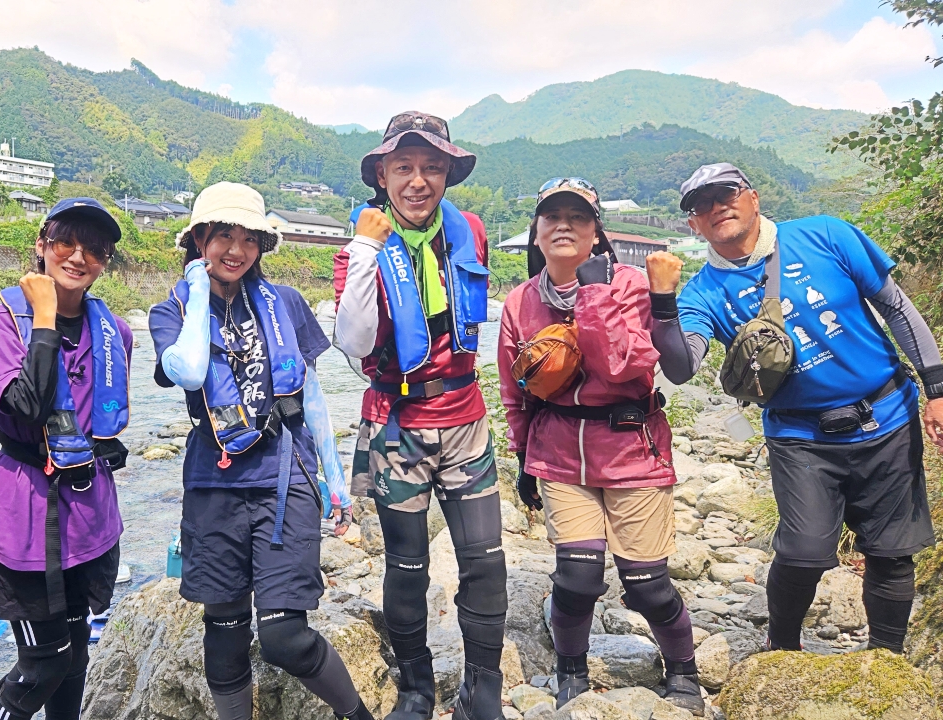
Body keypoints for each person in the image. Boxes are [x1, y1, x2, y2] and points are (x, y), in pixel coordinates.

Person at [647, 163, 943, 657]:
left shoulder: (826, 235)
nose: (717, 206)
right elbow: (681, 367)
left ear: (754, 197)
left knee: (891, 553)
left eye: (726, 193)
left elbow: (897, 307)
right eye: (701, 204)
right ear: (692, 224)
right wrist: (662, 302)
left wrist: (937, 389)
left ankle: (886, 660)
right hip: (800, 437)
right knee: (804, 553)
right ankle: (781, 652)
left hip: (887, 416)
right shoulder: (703, 293)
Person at [148, 182, 371, 720]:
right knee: (223, 629)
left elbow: (311, 396)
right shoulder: (170, 312)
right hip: (212, 483)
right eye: (223, 235)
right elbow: (192, 369)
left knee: (284, 637)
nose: (236, 249)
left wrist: (334, 480)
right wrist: (198, 291)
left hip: (283, 478)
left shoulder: (286, 303)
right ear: (199, 238)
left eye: (249, 238)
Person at [497, 178, 704, 714]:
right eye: (552, 217)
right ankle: (571, 668)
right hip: (561, 454)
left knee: (646, 585)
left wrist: (592, 294)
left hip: (632, 448)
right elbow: (513, 389)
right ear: (536, 235)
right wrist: (523, 458)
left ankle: (684, 671)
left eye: (578, 218)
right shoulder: (521, 302)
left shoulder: (631, 285)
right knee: (578, 576)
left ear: (597, 235)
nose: (564, 225)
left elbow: (624, 366)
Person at [333, 112, 505, 720]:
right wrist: (364, 251)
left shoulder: (472, 233)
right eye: (403, 167)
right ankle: (414, 689)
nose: (417, 181)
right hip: (395, 423)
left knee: (485, 559)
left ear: (448, 174)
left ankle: (484, 688)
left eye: (432, 167)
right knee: (407, 564)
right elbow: (352, 341)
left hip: (465, 418)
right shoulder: (359, 247)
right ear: (381, 175)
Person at [0, 198, 132, 720]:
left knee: (77, 654)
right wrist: (42, 317)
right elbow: (23, 406)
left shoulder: (115, 333)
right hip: (26, 516)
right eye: (65, 243)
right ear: (41, 246)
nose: (79, 257)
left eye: (95, 249)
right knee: (44, 660)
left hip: (89, 513)